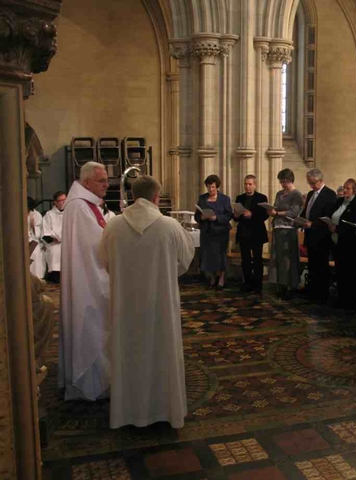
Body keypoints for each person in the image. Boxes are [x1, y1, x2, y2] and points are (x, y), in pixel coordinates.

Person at [99, 176, 195, 429]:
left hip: (125, 306)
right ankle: (166, 411)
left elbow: (105, 261)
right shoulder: (170, 226)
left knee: (128, 353)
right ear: (156, 197)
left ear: (132, 196)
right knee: (162, 351)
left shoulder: (113, 226)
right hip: (161, 304)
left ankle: (126, 413)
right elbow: (184, 262)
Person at [59, 161, 110, 401]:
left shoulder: (86, 205)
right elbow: (97, 244)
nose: (107, 185)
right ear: (87, 182)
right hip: (88, 280)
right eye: (102, 181)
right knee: (91, 326)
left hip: (88, 274)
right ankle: (90, 385)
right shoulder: (79, 207)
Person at [301, 169, 337, 303]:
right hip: (310, 235)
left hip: (322, 236)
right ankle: (313, 292)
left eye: (313, 183)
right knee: (312, 266)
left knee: (321, 267)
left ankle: (322, 295)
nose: (311, 186)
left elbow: (327, 215)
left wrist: (313, 224)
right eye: (309, 183)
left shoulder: (330, 194)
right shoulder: (311, 193)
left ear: (320, 180)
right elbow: (306, 212)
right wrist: (301, 220)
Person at [328, 178, 356, 310]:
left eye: (348, 188)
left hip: (351, 244)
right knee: (340, 272)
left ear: (354, 190)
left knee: (351, 273)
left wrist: (337, 229)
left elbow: (353, 223)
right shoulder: (339, 202)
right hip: (337, 243)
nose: (344, 190)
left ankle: (351, 301)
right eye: (344, 188)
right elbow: (333, 216)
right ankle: (341, 298)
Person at [267, 168, 304, 299]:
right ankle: (280, 284)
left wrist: (277, 213)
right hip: (277, 227)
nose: (283, 184)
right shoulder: (279, 193)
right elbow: (275, 207)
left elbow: (294, 212)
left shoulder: (296, 194)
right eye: (281, 181)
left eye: (285, 181)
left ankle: (290, 286)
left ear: (291, 180)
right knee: (278, 259)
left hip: (288, 229)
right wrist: (271, 211)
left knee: (287, 259)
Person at [195, 175, 233, 290]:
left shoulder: (225, 199)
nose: (211, 189)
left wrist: (216, 218)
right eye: (208, 187)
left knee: (220, 256)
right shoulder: (202, 198)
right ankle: (212, 278)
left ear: (217, 187)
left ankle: (221, 278)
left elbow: (228, 215)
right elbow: (197, 216)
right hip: (207, 233)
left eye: (213, 187)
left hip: (221, 232)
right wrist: (201, 217)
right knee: (208, 256)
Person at [234, 175, 269, 293]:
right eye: (245, 184)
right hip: (243, 233)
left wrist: (252, 215)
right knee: (245, 259)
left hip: (256, 233)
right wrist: (236, 215)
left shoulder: (261, 198)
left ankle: (258, 283)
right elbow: (235, 217)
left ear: (255, 185)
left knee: (257, 258)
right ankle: (247, 282)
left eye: (250, 184)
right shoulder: (240, 198)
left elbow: (265, 215)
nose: (247, 186)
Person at [42, 191, 66, 283]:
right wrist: (53, 238)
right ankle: (55, 277)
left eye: (65, 199)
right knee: (54, 251)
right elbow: (45, 231)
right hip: (55, 243)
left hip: (68, 242)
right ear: (55, 202)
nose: (64, 202)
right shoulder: (49, 214)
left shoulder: (71, 212)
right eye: (61, 200)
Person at [27, 196, 46, 279]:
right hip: (22, 240)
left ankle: (37, 277)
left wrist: (33, 226)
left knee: (36, 252)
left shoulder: (36, 215)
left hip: (34, 240)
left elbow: (37, 233)